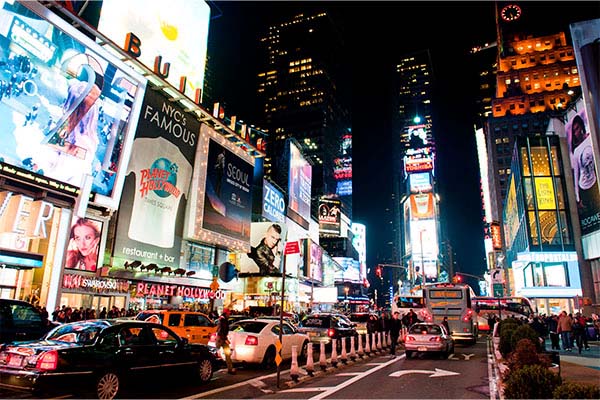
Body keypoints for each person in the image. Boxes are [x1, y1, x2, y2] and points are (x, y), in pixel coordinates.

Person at [569, 113, 600, 217]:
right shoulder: (577, 151)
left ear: (582, 126)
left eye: (577, 128)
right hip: (584, 188)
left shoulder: (590, 139)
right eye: (574, 131)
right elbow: (576, 175)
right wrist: (577, 198)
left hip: (595, 181)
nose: (576, 132)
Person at [217, 309, 235, 374]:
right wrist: (225, 339)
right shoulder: (223, 320)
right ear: (226, 313)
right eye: (228, 313)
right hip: (221, 339)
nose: (229, 314)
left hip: (222, 338)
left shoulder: (223, 319)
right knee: (225, 353)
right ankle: (229, 369)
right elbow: (221, 331)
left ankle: (230, 369)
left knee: (227, 353)